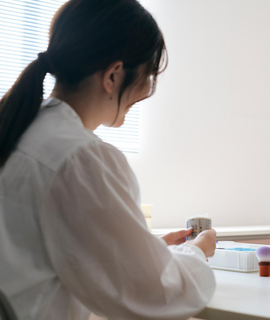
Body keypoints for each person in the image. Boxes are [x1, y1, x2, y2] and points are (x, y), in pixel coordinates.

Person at [0, 1, 216, 319]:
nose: (147, 89)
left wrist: (145, 250)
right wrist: (196, 250)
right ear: (114, 75)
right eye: (149, 75)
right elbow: (158, 293)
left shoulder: (20, 128)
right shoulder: (81, 158)